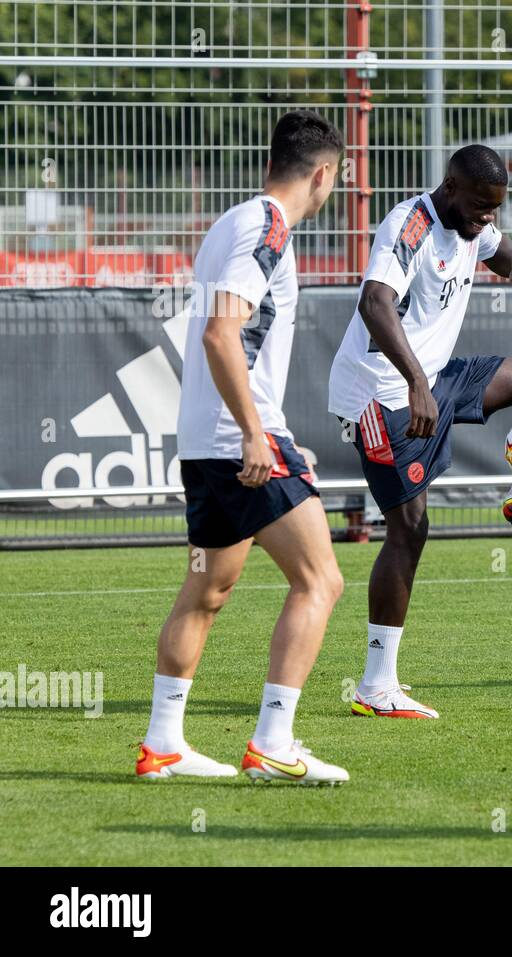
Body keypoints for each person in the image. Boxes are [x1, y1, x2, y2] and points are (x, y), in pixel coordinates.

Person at [328, 144, 512, 721]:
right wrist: (416, 385)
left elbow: (497, 248)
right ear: (450, 187)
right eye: (481, 207)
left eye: (495, 209)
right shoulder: (412, 225)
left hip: (433, 377)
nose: (488, 218)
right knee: (410, 531)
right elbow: (375, 303)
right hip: (383, 394)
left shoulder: (473, 222)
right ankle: (376, 687)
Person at [137, 110, 349, 784]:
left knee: (207, 589)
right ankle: (273, 743)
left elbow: (225, 336)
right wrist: (259, 433)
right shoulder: (268, 227)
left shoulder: (232, 221)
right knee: (320, 579)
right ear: (322, 174)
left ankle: (163, 744)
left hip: (208, 441)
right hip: (239, 442)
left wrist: (269, 430)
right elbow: (221, 334)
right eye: (334, 180)